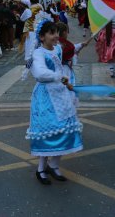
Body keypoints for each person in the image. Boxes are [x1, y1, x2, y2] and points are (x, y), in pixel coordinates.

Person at [26, 20, 82, 185]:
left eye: (57, 32)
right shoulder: (38, 53)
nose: (56, 36)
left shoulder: (57, 48)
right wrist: (59, 77)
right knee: (47, 131)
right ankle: (41, 168)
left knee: (65, 130)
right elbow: (40, 73)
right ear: (42, 37)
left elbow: (62, 66)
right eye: (51, 33)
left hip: (61, 94)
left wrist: (66, 81)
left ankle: (54, 165)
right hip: (45, 96)